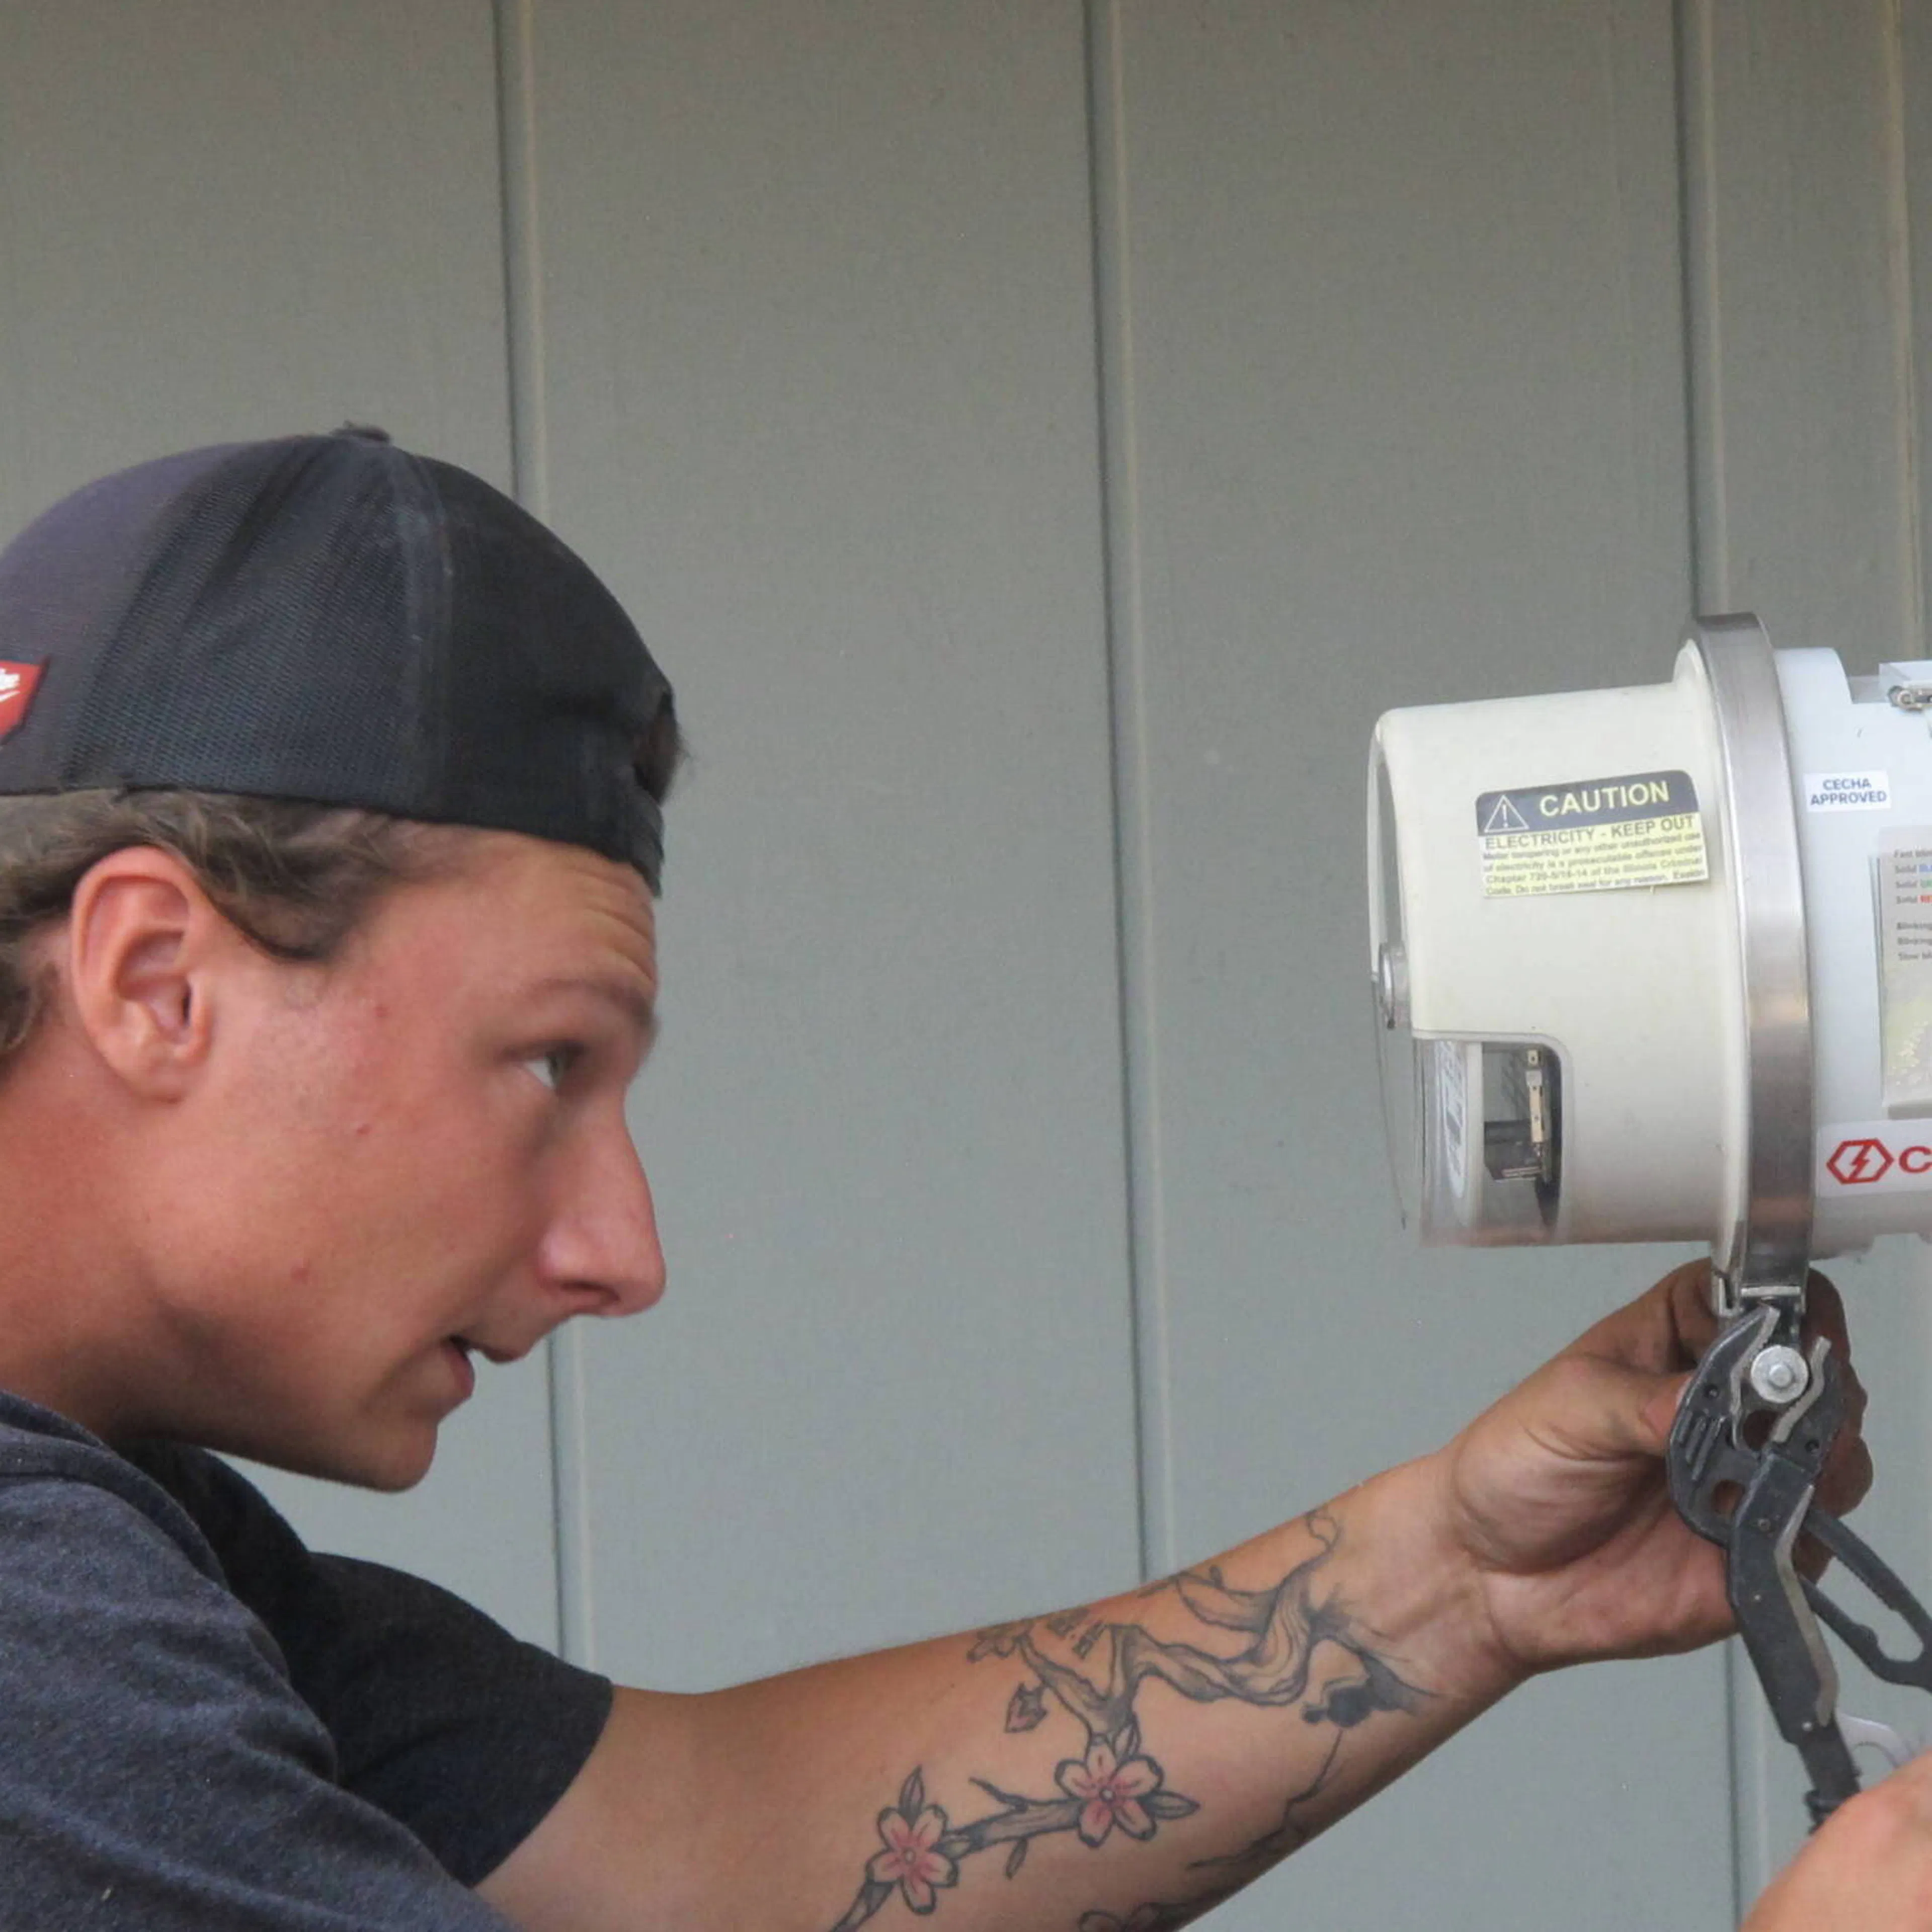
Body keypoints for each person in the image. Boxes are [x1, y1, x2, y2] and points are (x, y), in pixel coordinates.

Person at [0, 424, 1900, 1930]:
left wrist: (1460, 1582)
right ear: (156, 979)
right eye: (549, 1063)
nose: (624, 1250)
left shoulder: (133, 1552)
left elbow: (705, 1859)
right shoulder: (37, 1645)